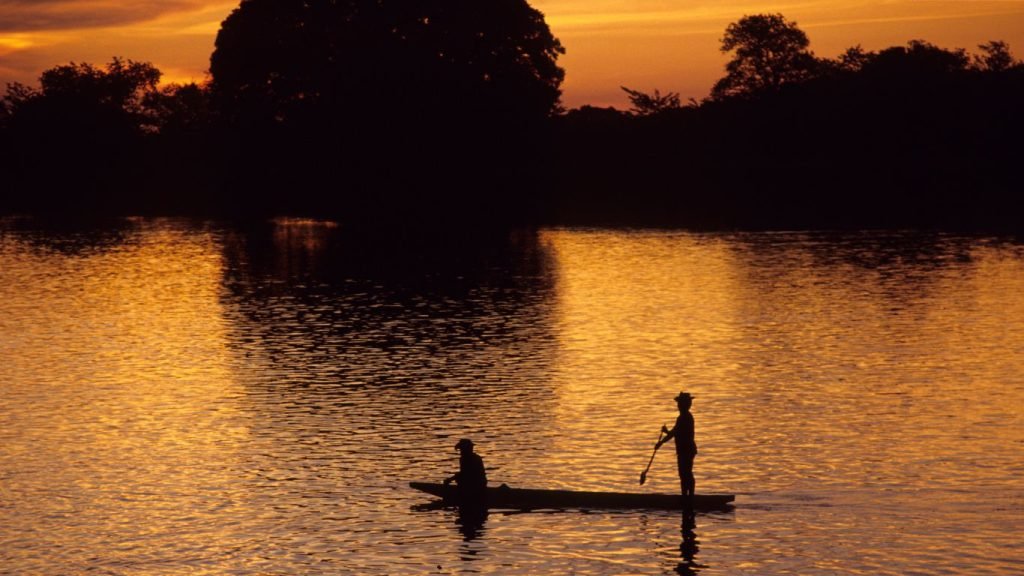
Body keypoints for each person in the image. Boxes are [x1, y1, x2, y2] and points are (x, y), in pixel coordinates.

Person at [656, 392, 698, 498]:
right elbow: (675, 432)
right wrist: (665, 434)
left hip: (686, 450)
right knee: (684, 473)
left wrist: (661, 442)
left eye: (680, 404)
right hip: (685, 450)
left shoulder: (684, 418)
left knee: (685, 473)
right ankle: (686, 496)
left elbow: (675, 433)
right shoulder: (683, 417)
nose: (678, 406)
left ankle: (688, 497)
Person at [444, 438, 488, 504]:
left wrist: (450, 479)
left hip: (474, 486)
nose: (461, 451)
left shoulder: (467, 459)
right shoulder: (475, 457)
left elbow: (465, 474)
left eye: (461, 449)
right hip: (480, 484)